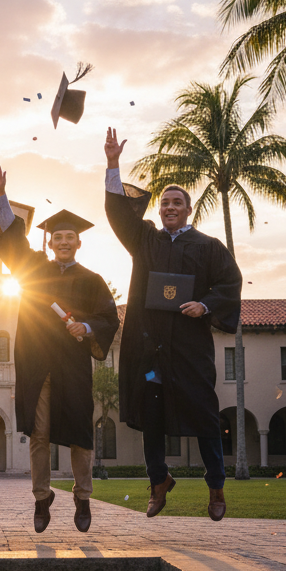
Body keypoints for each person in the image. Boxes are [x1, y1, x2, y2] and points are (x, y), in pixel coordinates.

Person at [102, 127, 242, 521]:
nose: (168, 207)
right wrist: (113, 164)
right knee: (151, 417)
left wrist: (205, 304)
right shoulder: (146, 239)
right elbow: (118, 214)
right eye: (164, 202)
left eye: (176, 202)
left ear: (189, 209)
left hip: (189, 347)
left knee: (204, 415)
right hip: (150, 349)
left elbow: (230, 284)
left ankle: (215, 486)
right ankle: (158, 481)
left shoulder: (208, 246)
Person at [0, 163, 120, 534]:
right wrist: (1, 195)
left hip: (73, 365)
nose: (63, 242)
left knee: (79, 431)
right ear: (50, 242)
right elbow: (13, 243)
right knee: (39, 432)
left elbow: (109, 318)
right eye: (57, 237)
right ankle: (42, 497)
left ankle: (83, 495)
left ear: (79, 242)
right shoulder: (35, 269)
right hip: (36, 363)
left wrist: (87, 325)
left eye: (69, 238)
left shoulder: (92, 280)